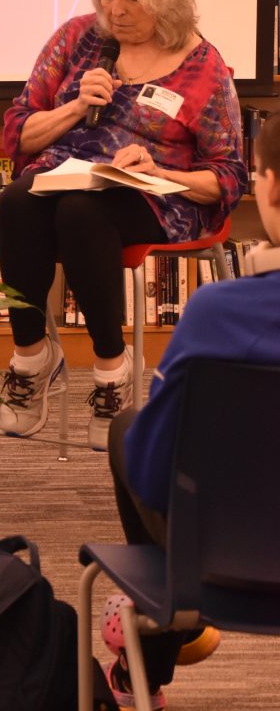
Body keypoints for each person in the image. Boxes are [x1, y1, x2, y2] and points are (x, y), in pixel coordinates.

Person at [0, 0, 247, 448]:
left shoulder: (203, 69)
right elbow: (18, 132)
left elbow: (227, 176)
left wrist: (157, 170)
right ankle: (31, 356)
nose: (116, 8)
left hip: (154, 196)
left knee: (81, 215)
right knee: (18, 199)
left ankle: (111, 368)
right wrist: (71, 107)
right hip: (62, 179)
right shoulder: (77, 40)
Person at [102, 109, 280, 707]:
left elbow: (155, 477)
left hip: (228, 570)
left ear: (270, 185)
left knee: (129, 431)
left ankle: (161, 634)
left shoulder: (214, 313)